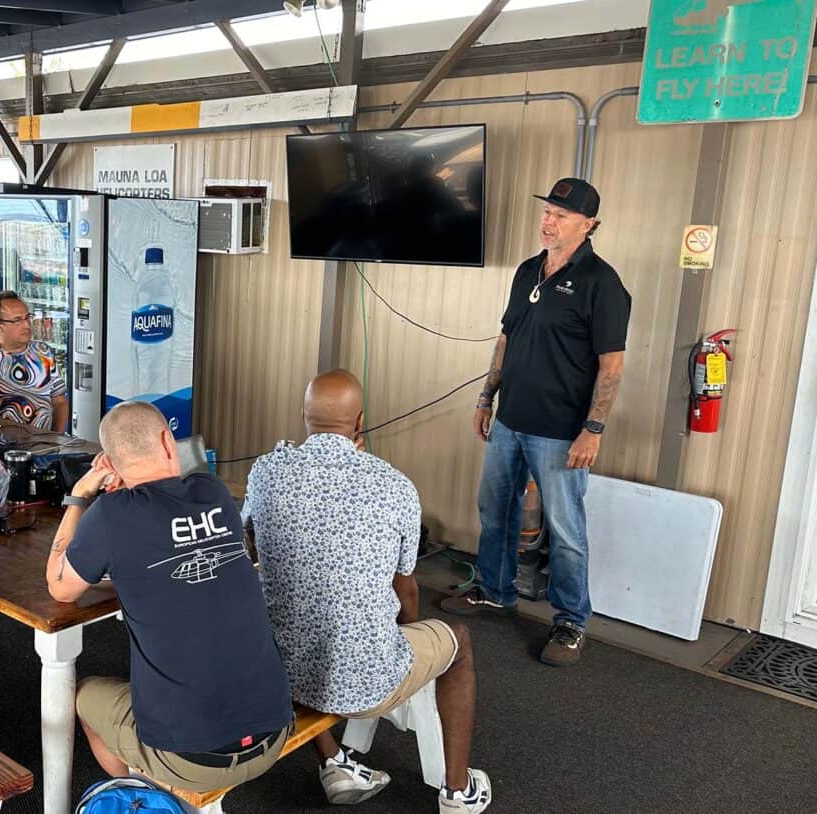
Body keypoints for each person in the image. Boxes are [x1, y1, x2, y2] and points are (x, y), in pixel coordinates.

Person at [245, 370, 490, 812]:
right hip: (364, 682)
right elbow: (406, 591)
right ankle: (458, 791)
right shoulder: (393, 486)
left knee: (293, 613)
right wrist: (411, 644)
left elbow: (250, 544)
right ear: (360, 421)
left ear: (304, 416)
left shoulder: (266, 472)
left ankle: (335, 761)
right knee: (460, 644)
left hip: (275, 673)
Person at [45, 401, 294, 793]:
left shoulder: (110, 514)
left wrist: (79, 496)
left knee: (84, 697)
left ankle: (146, 793)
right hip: (274, 733)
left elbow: (59, 587)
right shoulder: (212, 491)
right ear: (167, 441)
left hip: (192, 759)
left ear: (108, 462)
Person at [440, 178, 631, 668]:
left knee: (566, 529)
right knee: (496, 511)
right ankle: (494, 590)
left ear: (589, 226)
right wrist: (486, 396)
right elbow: (506, 340)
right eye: (547, 212)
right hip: (511, 421)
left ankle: (570, 621)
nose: (549, 221)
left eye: (562, 216)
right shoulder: (528, 271)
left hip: (561, 432)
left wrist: (593, 430)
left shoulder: (602, 285)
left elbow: (611, 366)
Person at [0, 291, 68, 431]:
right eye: (17, 320)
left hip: (45, 443)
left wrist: (57, 438)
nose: (27, 325)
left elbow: (59, 401)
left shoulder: (43, 352)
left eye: (27, 317)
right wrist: (31, 436)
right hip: (4, 446)